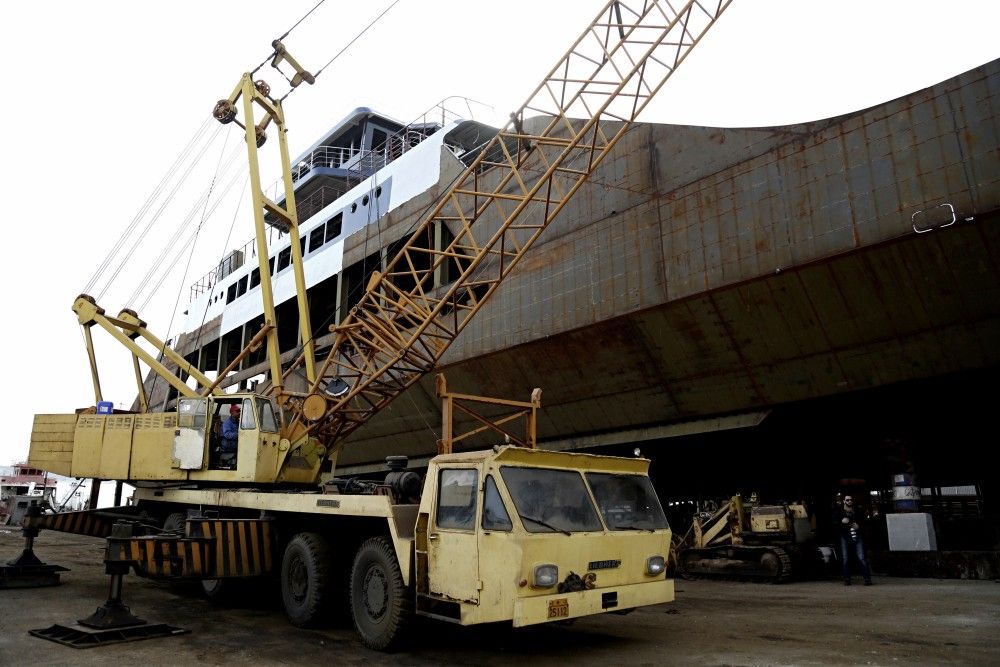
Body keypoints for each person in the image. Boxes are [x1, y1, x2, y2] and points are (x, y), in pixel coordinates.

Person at [833, 494, 872, 586]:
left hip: (857, 535)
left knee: (861, 557)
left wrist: (859, 526)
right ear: (844, 501)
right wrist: (841, 522)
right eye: (847, 500)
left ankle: (867, 579)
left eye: (851, 500)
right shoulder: (839, 511)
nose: (849, 501)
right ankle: (847, 579)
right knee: (845, 558)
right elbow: (834, 523)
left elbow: (864, 522)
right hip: (845, 535)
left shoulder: (857, 510)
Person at [220, 404, 241, 468]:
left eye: (239, 411)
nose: (239, 413)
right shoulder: (227, 423)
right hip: (228, 445)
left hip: (234, 444)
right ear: (232, 413)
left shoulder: (237, 422)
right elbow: (227, 435)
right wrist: (239, 434)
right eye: (237, 411)